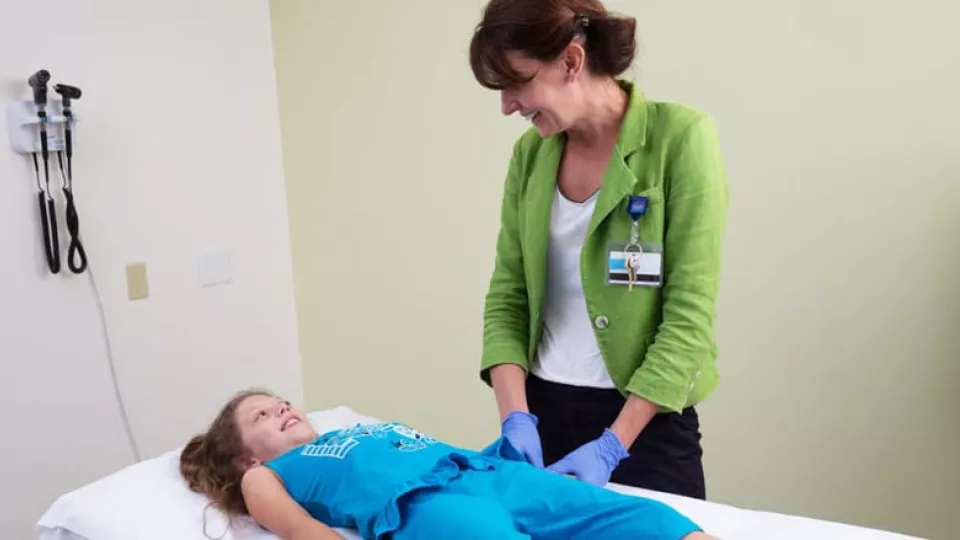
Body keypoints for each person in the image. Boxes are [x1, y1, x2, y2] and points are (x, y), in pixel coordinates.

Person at [470, 0, 729, 498]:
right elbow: (508, 294)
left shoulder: (681, 139)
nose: (507, 105)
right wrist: (516, 418)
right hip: (542, 416)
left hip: (645, 426)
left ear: (571, 61)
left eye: (516, 82)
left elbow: (688, 318)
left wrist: (613, 445)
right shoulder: (531, 155)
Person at [180, 390, 717, 540]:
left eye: (282, 402)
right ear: (246, 453)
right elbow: (300, 531)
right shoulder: (266, 474)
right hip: (421, 508)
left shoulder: (350, 428)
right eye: (262, 415)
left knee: (629, 517)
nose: (282, 409)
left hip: (489, 472)